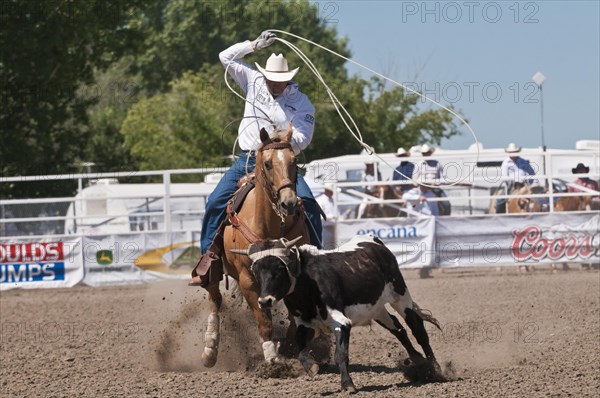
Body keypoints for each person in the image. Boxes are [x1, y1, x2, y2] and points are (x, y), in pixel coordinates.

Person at [191, 31, 322, 285]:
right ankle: (209, 262)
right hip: (248, 159)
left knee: (308, 204)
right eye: (271, 78)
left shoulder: (302, 103)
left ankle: (316, 265)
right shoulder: (253, 80)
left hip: (282, 164)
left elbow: (304, 137)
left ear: (289, 80)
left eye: (280, 80)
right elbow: (225, 57)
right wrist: (253, 45)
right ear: (265, 75)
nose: (275, 83)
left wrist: (280, 144)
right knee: (216, 202)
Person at [495, 142, 537, 213]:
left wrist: (529, 182)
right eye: (511, 152)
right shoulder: (506, 162)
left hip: (524, 185)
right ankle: (498, 214)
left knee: (536, 198)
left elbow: (531, 172)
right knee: (500, 199)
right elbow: (504, 176)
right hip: (510, 185)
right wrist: (510, 182)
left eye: (514, 152)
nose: (513, 154)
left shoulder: (523, 161)